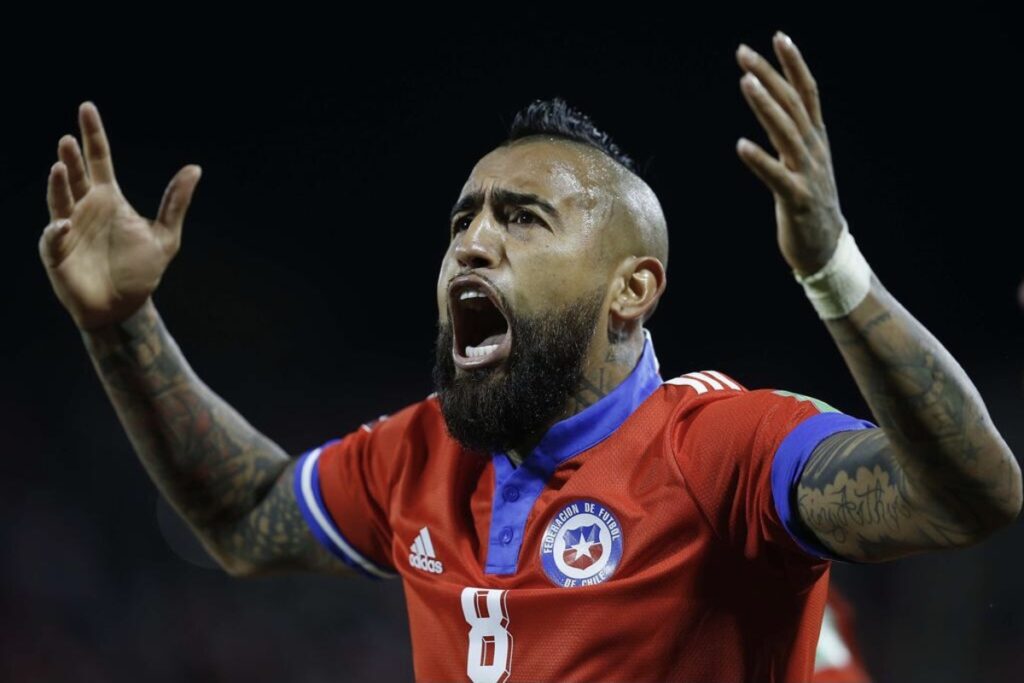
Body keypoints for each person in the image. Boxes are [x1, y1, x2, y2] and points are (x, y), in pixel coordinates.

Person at [38, 31, 1021, 683]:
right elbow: (245, 517)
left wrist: (832, 272)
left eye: (521, 217)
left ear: (630, 288)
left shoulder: (725, 449)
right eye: (462, 218)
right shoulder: (417, 457)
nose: (472, 241)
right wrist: (121, 324)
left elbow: (968, 495)